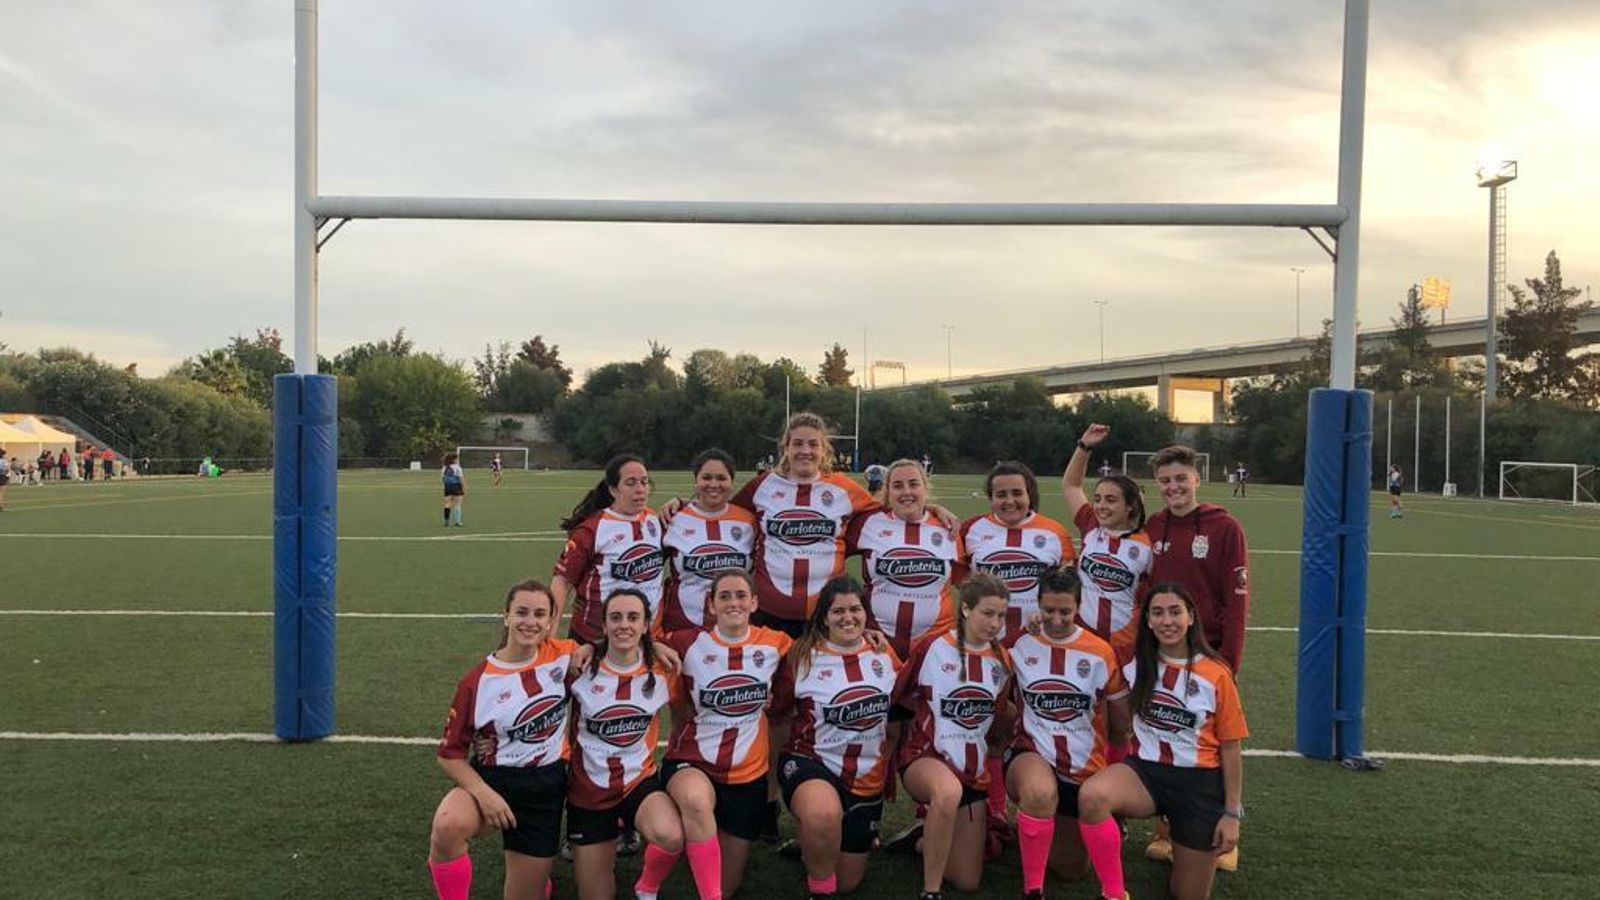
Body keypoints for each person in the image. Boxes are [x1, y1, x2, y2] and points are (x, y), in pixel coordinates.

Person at [1076, 583, 1248, 900]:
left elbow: (1231, 749)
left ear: (1191, 617)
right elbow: (1084, 646)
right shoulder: (1133, 664)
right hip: (1145, 774)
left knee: (1188, 894)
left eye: (1175, 612)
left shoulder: (1216, 674)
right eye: (1157, 613)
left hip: (1198, 784)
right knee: (1092, 796)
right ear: (1148, 622)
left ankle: (1185, 842)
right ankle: (1113, 894)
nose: (1167, 621)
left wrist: (1232, 814)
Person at [427, 580, 581, 900]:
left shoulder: (565, 656)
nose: (531, 621)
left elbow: (615, 648)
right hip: (493, 778)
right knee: (447, 825)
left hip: (544, 785)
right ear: (506, 616)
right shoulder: (477, 681)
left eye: (540, 614)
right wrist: (485, 794)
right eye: (521, 612)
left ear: (551, 621)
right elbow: (449, 754)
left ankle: (538, 882)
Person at [660, 569, 795, 900]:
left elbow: (822, 651)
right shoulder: (686, 642)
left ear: (754, 602)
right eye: (724, 596)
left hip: (746, 776)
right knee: (695, 800)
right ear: (711, 604)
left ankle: (701, 839)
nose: (733, 602)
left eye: (740, 595)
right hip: (692, 762)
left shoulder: (777, 643)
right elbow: (633, 645)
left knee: (728, 884)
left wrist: (869, 637)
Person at [1143, 444, 1249, 866]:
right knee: (1166, 735)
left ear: (1197, 479)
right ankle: (1167, 830)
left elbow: (1237, 598)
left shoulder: (1225, 528)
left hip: (1207, 654)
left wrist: (1229, 659)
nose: (1174, 487)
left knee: (1214, 743)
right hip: (1161, 651)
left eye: (1180, 478)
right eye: (1166, 481)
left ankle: (1225, 832)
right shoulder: (1153, 526)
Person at [960, 460, 1075, 840]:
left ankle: (1054, 804)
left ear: (1030, 495)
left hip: (1038, 652)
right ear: (990, 496)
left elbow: (1068, 590)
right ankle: (994, 809)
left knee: (1044, 723)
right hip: (987, 650)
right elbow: (962, 584)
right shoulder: (972, 531)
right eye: (1000, 493)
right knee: (991, 726)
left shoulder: (1054, 533)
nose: (1009, 500)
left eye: (1016, 493)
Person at [1004, 565, 1131, 900]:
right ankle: (1033, 890)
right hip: (1031, 756)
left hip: (1083, 770)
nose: (1057, 619)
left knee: (1071, 870)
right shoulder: (1021, 645)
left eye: (1065, 611)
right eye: (1048, 610)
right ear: (1037, 605)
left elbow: (1121, 727)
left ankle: (1053, 827)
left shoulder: (1101, 652)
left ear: (1079, 606)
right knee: (1039, 792)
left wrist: (1112, 789)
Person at [772, 574, 901, 897]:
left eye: (855, 610)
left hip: (864, 777)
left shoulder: (884, 655)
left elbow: (904, 706)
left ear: (865, 614)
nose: (848, 618)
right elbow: (779, 711)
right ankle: (819, 885)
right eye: (838, 611)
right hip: (811, 761)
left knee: (847, 882)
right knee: (823, 814)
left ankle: (812, 842)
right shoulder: (801, 657)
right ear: (824, 617)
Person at [892, 573, 1014, 900]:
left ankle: (924, 837)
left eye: (1001, 616)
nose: (995, 623)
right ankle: (930, 891)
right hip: (926, 759)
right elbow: (896, 694)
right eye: (987, 613)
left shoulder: (1003, 661)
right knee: (946, 791)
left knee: (967, 880)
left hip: (973, 773)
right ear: (965, 610)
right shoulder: (933, 647)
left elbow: (1000, 721)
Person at [566, 589, 690, 900]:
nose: (624, 625)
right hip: (589, 791)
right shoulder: (579, 668)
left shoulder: (662, 669)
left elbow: (686, 713)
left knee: (670, 835)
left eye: (633, 617)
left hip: (638, 783)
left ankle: (647, 887)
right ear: (604, 625)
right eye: (616, 617)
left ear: (647, 624)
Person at [846, 458, 963, 660]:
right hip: (877, 642)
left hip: (934, 645)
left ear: (925, 488)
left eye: (914, 484)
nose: (906, 492)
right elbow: (833, 553)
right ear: (888, 491)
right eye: (898, 486)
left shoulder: (948, 530)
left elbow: (968, 583)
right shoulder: (867, 523)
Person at [1062, 424, 1153, 664]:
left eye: (1111, 500)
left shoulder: (1149, 543)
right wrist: (1084, 447)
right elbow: (1071, 485)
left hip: (1125, 644)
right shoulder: (1091, 526)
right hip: (1082, 637)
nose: (1101, 506)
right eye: (1098, 499)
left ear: (1130, 505)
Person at [552, 455, 665, 644]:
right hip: (594, 639)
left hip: (644, 637)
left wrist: (680, 501)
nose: (640, 489)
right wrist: (550, 634)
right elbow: (562, 581)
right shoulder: (593, 528)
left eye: (644, 482)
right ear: (613, 489)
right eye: (631, 483)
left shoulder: (657, 521)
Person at [660, 449, 757, 633]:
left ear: (731, 482)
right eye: (706, 477)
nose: (714, 484)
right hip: (682, 627)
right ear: (696, 481)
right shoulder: (673, 519)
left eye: (721, 478)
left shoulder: (748, 521)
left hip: (736, 627)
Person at [440, 453, 466, 527]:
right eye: (457, 459)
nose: (458, 460)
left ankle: (446, 521)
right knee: (457, 504)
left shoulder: (444, 468)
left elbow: (443, 479)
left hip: (447, 487)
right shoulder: (457, 468)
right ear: (454, 460)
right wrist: (464, 488)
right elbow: (461, 479)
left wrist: (444, 486)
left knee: (447, 504)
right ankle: (458, 521)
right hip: (456, 486)